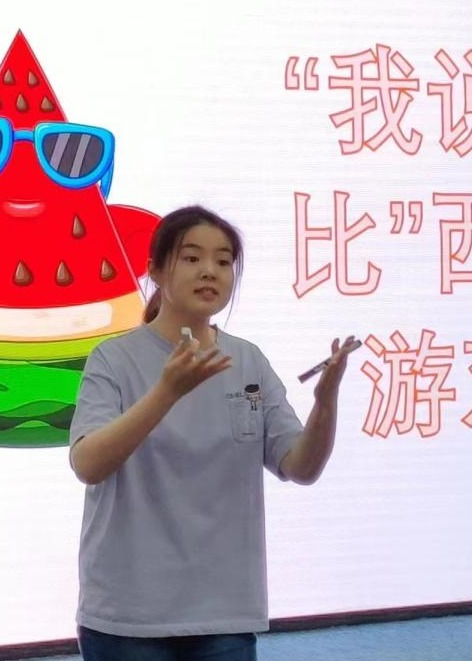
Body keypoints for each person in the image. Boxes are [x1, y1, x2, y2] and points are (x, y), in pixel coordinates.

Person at [68, 205, 355, 661]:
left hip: (224, 612)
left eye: (223, 261)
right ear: (155, 270)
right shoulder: (113, 359)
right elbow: (88, 464)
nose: (210, 271)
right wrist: (167, 391)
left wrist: (325, 402)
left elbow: (301, 466)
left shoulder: (248, 361)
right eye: (192, 257)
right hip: (128, 613)